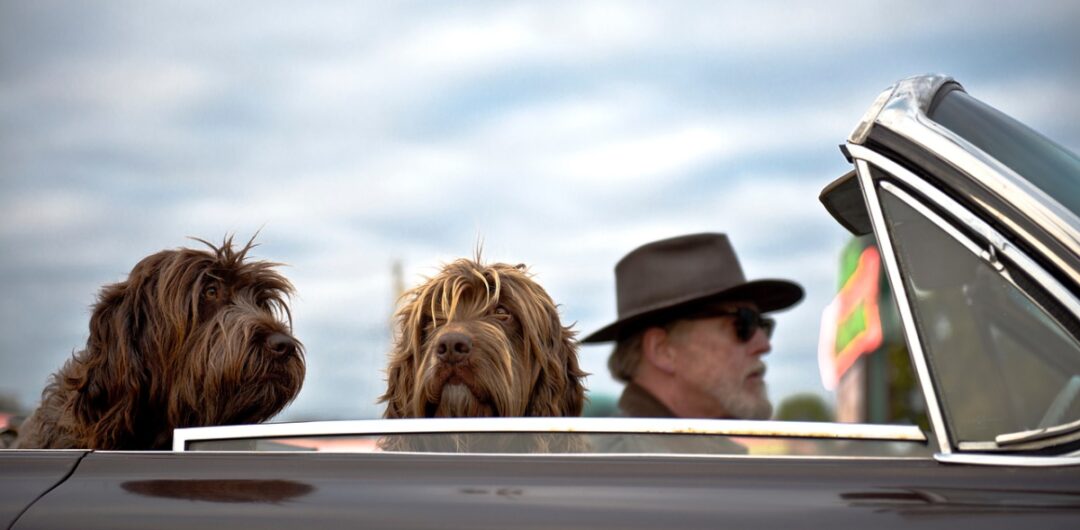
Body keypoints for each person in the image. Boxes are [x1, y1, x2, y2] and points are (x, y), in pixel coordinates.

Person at [582, 233, 804, 420]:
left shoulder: (688, 454)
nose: (764, 345)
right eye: (743, 323)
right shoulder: (623, 459)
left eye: (763, 325)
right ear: (662, 350)